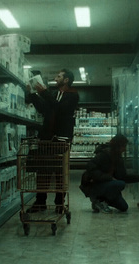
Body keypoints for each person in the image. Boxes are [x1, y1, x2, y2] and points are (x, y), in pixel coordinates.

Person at [25, 69, 79, 213]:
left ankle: (59, 203)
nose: (56, 78)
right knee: (43, 171)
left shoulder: (72, 95)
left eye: (59, 76)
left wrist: (43, 92)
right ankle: (40, 201)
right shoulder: (54, 94)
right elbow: (44, 109)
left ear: (66, 80)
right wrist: (32, 94)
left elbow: (61, 110)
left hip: (61, 139)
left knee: (60, 172)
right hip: (47, 138)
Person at [79, 134, 139, 213]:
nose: (124, 149)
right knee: (120, 184)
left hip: (106, 184)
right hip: (93, 185)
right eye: (123, 146)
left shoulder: (118, 158)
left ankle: (101, 201)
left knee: (123, 207)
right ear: (118, 146)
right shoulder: (104, 154)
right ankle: (98, 199)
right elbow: (90, 168)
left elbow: (123, 177)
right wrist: (108, 177)